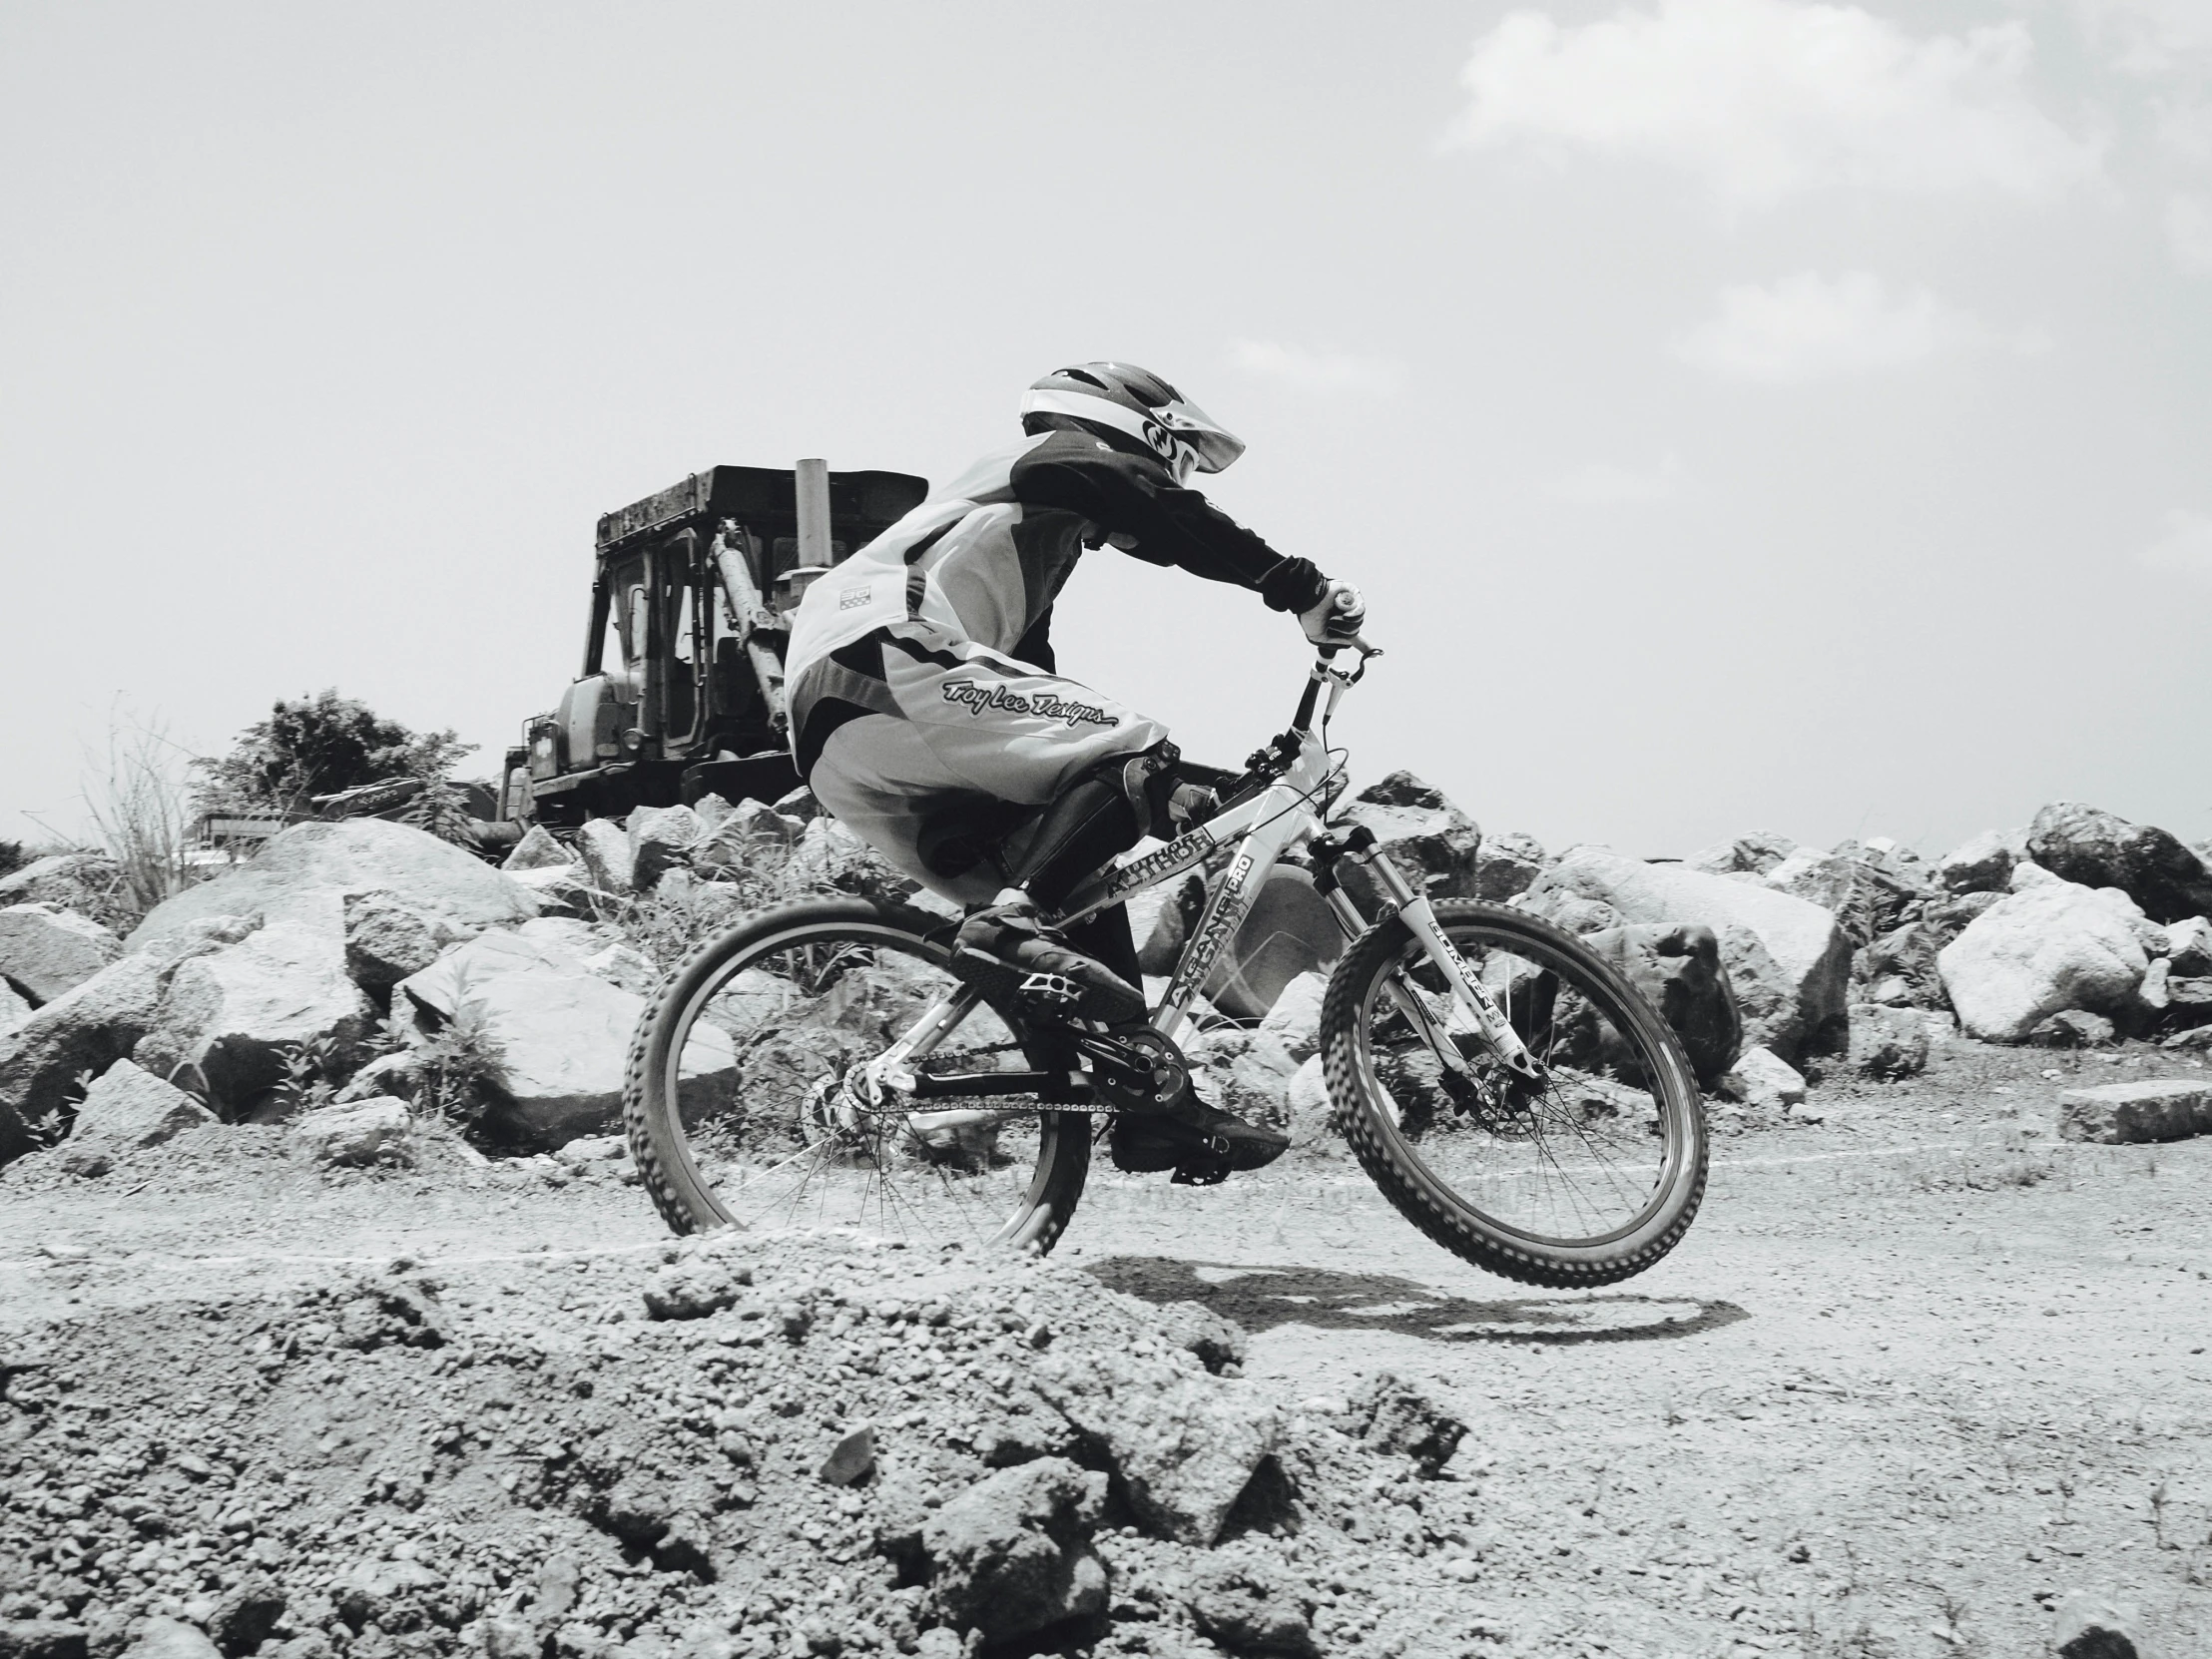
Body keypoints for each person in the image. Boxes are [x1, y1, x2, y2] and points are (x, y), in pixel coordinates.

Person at [784, 362, 1366, 1179]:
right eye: (1179, 458)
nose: (1177, 477)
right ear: (1138, 428)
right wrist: (1294, 586)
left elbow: (1050, 727)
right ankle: (1008, 924)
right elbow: (1151, 507)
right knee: (1132, 747)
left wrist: (1184, 792)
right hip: (885, 655)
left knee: (1076, 877)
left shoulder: (1018, 552)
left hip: (840, 732)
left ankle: (1154, 1111)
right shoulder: (1052, 458)